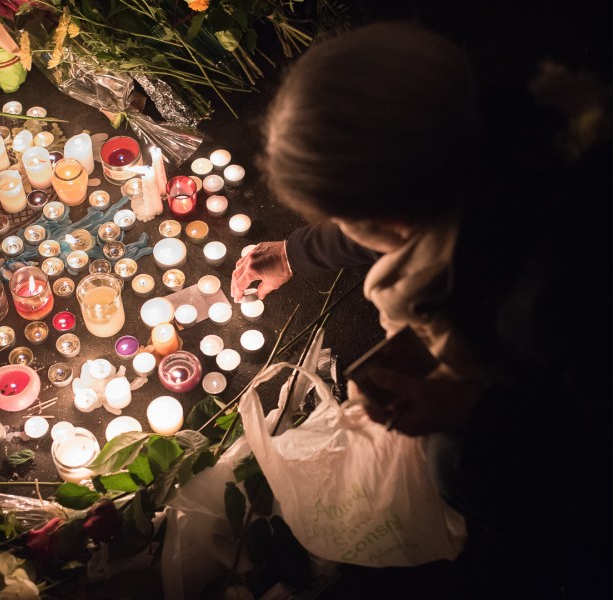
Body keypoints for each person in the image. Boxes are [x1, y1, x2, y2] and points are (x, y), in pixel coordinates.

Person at [231, 22, 613, 597]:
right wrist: (295, 252)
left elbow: (593, 471)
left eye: (343, 215)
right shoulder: (492, 131)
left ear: (393, 217)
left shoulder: (553, 302)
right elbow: (380, 218)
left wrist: (469, 408)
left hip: (578, 502)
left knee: (450, 462)